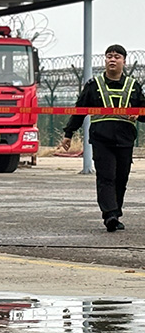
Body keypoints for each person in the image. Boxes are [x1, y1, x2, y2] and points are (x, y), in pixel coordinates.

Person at [60, 44, 145, 232]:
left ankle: (116, 212)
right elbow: (79, 110)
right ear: (105, 60)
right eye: (109, 56)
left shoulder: (134, 86)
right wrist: (68, 134)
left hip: (125, 140)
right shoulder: (93, 85)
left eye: (117, 56)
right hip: (101, 139)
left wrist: (139, 114)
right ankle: (110, 215)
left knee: (121, 178)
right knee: (106, 177)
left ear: (124, 61)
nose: (112, 59)